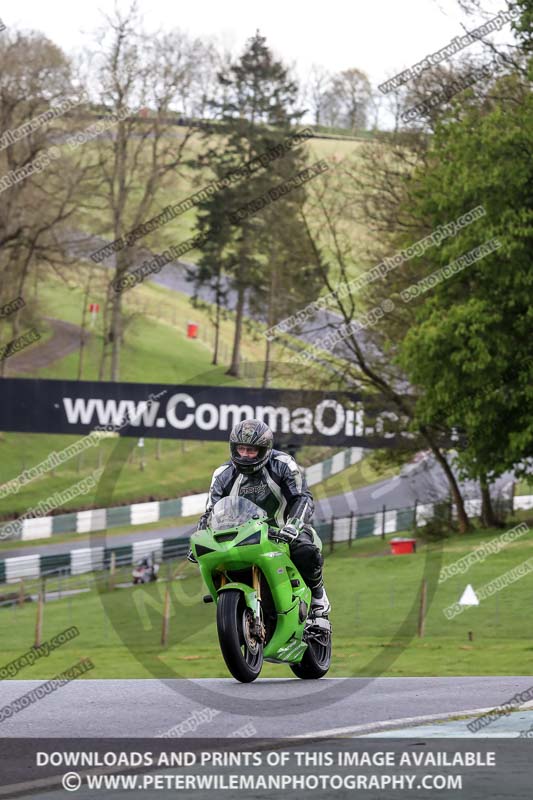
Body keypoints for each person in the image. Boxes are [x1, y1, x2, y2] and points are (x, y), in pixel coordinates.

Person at [188, 419, 330, 615]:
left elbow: (302, 497)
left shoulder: (283, 464)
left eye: (251, 450)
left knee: (306, 551)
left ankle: (318, 595)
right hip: (242, 536)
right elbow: (210, 512)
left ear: (264, 450)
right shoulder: (222, 474)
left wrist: (293, 526)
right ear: (233, 448)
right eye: (241, 449)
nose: (245, 455)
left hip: (284, 531)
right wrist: (200, 539)